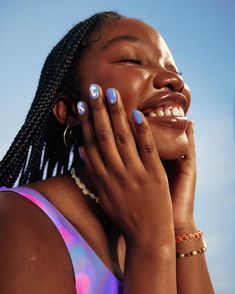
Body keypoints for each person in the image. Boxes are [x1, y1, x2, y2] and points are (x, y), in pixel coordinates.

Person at [0, 11, 214, 294]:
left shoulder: (169, 228)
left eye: (175, 71)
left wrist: (179, 223)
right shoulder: (15, 219)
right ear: (69, 110)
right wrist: (151, 245)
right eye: (132, 59)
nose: (173, 80)